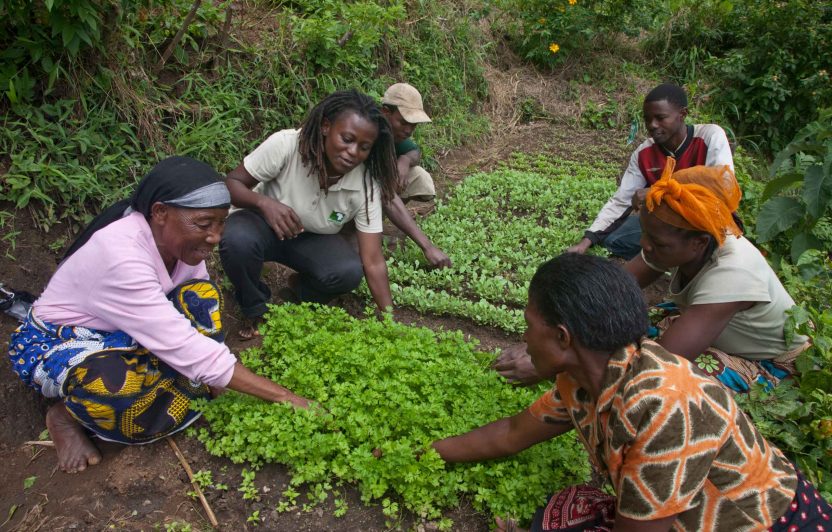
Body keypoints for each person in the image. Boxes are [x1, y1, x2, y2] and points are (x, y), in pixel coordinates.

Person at [434, 254, 830, 532]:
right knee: (563, 513)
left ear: (562, 338)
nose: (524, 337)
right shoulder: (584, 376)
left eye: (528, 324)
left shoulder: (666, 405)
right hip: (676, 514)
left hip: (764, 523)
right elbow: (510, 434)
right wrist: (429, 453)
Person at [8, 157, 309, 474]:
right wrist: (286, 397)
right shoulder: (120, 256)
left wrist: (218, 372)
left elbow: (193, 316)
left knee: (201, 296)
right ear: (160, 213)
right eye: (205, 224)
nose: (216, 237)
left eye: (222, 223)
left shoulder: (180, 244)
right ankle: (66, 417)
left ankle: (180, 379)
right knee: (115, 391)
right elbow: (184, 345)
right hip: (63, 340)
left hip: (131, 329)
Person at [496, 160, 810, 394]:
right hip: (705, 324)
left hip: (765, 359)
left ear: (698, 243)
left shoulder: (733, 273)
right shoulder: (678, 243)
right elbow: (612, 293)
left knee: (668, 389)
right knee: (618, 329)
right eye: (645, 234)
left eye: (657, 243)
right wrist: (549, 338)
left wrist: (555, 361)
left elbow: (659, 366)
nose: (645, 246)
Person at [220, 90, 399, 339]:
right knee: (236, 240)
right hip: (259, 224)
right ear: (326, 127)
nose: (352, 152)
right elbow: (231, 184)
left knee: (348, 270)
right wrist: (264, 203)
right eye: (347, 139)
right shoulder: (286, 145)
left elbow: (373, 260)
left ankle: (300, 294)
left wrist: (390, 320)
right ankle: (255, 308)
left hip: (311, 239)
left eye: (364, 147)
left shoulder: (366, 184)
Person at [566, 83, 733, 260]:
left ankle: (678, 256)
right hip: (667, 223)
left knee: (714, 252)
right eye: (648, 119)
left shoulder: (709, 136)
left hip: (705, 223)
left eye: (660, 118)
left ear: (682, 114)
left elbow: (723, 188)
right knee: (613, 240)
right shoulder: (644, 153)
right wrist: (586, 241)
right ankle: (671, 255)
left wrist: (659, 192)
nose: (652, 125)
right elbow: (621, 200)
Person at [379, 82, 451, 269]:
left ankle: (376, 223)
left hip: (374, 191)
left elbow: (413, 151)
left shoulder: (393, 133)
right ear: (385, 112)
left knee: (417, 174)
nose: (409, 130)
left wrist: (403, 161)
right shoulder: (367, 134)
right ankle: (354, 232)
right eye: (403, 122)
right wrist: (427, 247)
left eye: (413, 125)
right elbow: (387, 196)